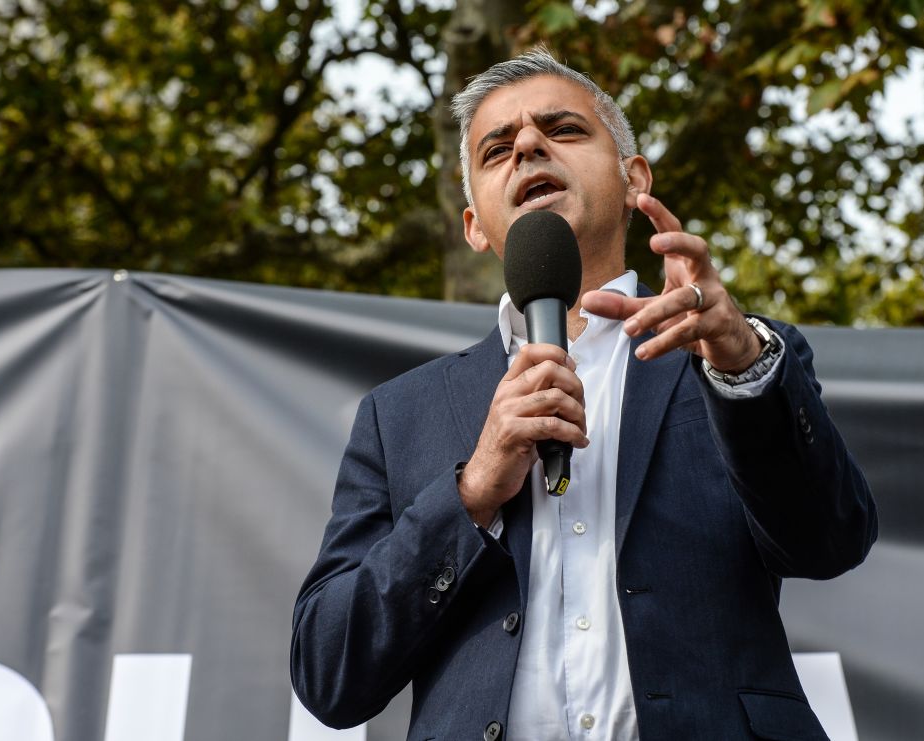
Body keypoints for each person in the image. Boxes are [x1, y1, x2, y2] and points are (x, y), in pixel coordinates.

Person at [291, 47, 877, 740]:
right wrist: (472, 490)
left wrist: (741, 366)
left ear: (634, 179)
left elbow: (829, 541)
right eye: (497, 148)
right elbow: (330, 670)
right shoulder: (399, 415)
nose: (529, 146)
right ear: (474, 224)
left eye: (562, 129)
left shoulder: (731, 356)